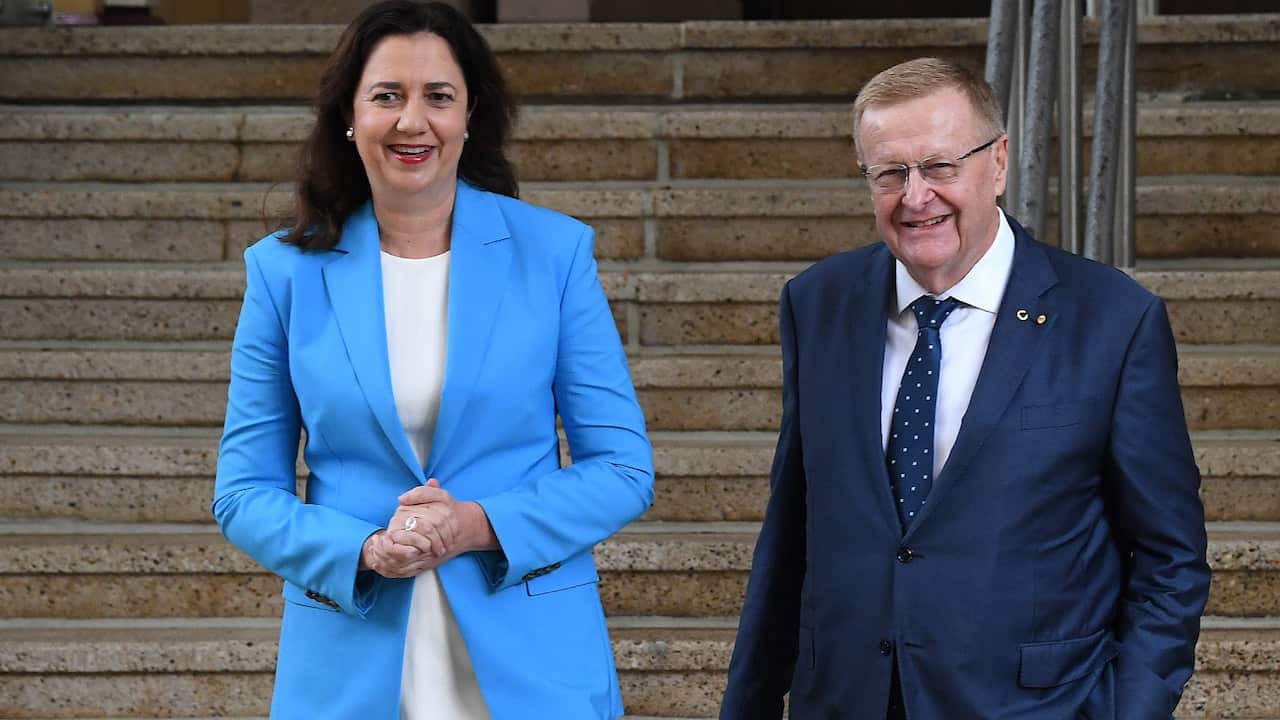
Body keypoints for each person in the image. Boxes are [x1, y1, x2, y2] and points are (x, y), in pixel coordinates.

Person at [719, 57, 1210, 720]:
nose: (915, 196)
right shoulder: (818, 303)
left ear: (998, 162)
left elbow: (1170, 561)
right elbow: (790, 535)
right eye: (890, 173)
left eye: (940, 166)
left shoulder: (1113, 320)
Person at [212, 2, 654, 718]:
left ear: (469, 114)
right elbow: (242, 493)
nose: (412, 121)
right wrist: (364, 547)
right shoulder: (283, 273)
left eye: (438, 96)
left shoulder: (555, 254)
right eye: (387, 96)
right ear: (350, 115)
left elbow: (623, 469)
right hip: (350, 658)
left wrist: (475, 524)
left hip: (533, 655)